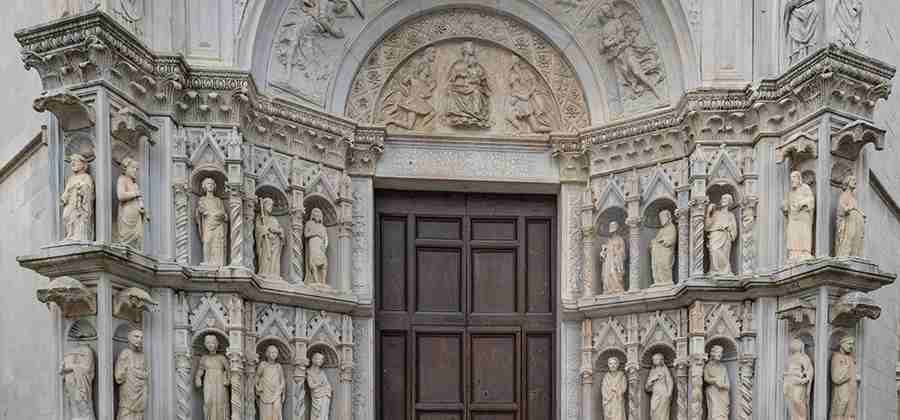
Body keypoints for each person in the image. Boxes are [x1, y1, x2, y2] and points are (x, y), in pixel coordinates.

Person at [445, 41, 492, 128]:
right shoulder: (457, 65)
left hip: (474, 88)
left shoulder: (477, 66)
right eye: (471, 47)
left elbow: (483, 81)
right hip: (461, 88)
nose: (473, 49)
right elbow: (451, 80)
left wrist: (480, 83)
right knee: (452, 91)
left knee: (476, 91)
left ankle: (476, 115)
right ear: (465, 50)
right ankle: (459, 116)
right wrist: (459, 76)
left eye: (473, 47)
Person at [115, 329, 149, 420]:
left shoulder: (142, 355)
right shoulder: (125, 353)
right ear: (129, 338)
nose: (139, 339)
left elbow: (146, 373)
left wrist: (137, 373)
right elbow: (118, 377)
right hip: (129, 390)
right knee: (126, 412)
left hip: (140, 390)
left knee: (139, 414)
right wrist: (129, 371)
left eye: (142, 337)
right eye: (136, 336)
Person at [195, 334, 230, 420]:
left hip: (219, 382)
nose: (210, 345)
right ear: (205, 345)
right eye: (208, 343)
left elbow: (228, 370)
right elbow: (200, 369)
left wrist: (228, 379)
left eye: (212, 343)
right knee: (208, 402)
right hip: (208, 382)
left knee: (219, 402)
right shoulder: (204, 358)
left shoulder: (221, 358)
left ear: (217, 344)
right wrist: (198, 378)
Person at [61, 153, 94, 241]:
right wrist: (64, 196)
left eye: (75, 161)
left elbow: (89, 191)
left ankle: (78, 236)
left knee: (78, 218)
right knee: (66, 216)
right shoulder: (71, 179)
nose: (72, 163)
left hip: (80, 205)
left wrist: (82, 189)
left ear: (83, 164)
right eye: (71, 161)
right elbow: (66, 191)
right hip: (71, 203)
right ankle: (70, 234)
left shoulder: (86, 177)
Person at [196, 178, 229, 266]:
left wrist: (221, 215)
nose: (210, 185)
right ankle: (207, 261)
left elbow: (224, 214)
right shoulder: (202, 199)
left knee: (217, 242)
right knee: (207, 241)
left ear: (214, 186)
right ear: (204, 186)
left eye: (211, 184)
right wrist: (207, 213)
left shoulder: (218, 200)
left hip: (218, 224)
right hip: (209, 223)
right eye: (208, 184)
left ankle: (217, 262)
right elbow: (201, 211)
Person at [783, 171, 815, 262]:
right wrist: (785, 207)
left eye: (794, 178)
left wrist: (801, 203)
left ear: (799, 179)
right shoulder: (791, 193)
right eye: (791, 179)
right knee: (793, 234)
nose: (792, 181)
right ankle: (794, 253)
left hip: (803, 217)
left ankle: (805, 252)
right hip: (793, 218)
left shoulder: (805, 188)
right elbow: (787, 205)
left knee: (803, 232)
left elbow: (811, 200)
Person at [117, 157, 147, 250]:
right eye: (133, 168)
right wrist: (136, 193)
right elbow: (121, 195)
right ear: (125, 168)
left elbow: (140, 199)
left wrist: (142, 209)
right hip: (127, 212)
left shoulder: (134, 184)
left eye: (136, 169)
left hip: (136, 213)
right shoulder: (122, 179)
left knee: (138, 236)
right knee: (126, 235)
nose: (135, 171)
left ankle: (135, 250)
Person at [706, 194, 737, 275]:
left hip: (725, 236)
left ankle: (725, 271)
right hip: (715, 235)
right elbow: (707, 226)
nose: (723, 200)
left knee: (724, 254)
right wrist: (708, 213)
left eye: (726, 199)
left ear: (730, 202)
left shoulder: (731, 215)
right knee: (714, 250)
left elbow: (734, 229)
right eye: (722, 198)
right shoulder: (715, 213)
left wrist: (729, 229)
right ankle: (715, 270)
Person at [784, 338, 813, 420]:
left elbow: (809, 370)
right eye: (793, 344)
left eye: (796, 344)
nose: (793, 346)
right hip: (790, 383)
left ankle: (802, 418)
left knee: (798, 401)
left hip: (799, 383)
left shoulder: (803, 357)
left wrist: (806, 378)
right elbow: (787, 370)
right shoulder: (789, 358)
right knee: (791, 403)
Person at [835, 175, 865, 257]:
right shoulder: (844, 195)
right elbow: (842, 209)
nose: (855, 182)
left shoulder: (854, 198)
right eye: (853, 180)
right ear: (847, 183)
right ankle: (844, 254)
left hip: (856, 223)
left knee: (855, 239)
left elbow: (856, 209)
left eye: (855, 181)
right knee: (849, 238)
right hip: (848, 223)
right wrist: (849, 208)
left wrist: (860, 214)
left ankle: (854, 255)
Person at [830, 336, 858, 420]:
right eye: (849, 344)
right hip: (842, 390)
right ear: (842, 344)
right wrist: (847, 371)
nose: (851, 346)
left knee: (850, 413)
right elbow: (836, 378)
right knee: (839, 411)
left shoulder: (851, 358)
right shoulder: (837, 357)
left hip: (851, 390)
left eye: (852, 344)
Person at [256, 197, 285, 278]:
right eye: (269, 205)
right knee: (265, 257)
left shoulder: (274, 219)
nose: (271, 207)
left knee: (274, 259)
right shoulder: (260, 218)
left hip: (275, 243)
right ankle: (264, 272)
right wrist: (264, 230)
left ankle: (274, 273)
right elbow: (258, 230)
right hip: (266, 242)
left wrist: (279, 232)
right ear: (264, 205)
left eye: (272, 205)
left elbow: (281, 231)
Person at [256, 345, 286, 420]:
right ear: (267, 353)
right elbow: (257, 377)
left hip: (276, 392)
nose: (274, 354)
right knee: (267, 413)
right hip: (265, 393)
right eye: (272, 352)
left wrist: (281, 388)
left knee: (276, 411)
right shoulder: (263, 365)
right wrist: (258, 387)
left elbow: (282, 379)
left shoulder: (278, 366)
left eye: (275, 352)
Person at [704, 345, 730, 420]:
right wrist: (715, 381)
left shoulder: (723, 367)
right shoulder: (708, 366)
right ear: (713, 353)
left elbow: (728, 384)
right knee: (714, 412)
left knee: (723, 413)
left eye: (721, 353)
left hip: (723, 393)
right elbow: (706, 378)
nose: (720, 355)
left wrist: (723, 385)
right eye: (718, 352)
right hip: (713, 391)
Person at [651, 209, 676, 285]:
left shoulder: (672, 227)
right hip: (658, 252)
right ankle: (659, 281)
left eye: (663, 217)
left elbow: (671, 240)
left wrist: (662, 240)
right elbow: (656, 239)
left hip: (666, 251)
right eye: (660, 218)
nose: (662, 219)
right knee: (657, 265)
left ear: (668, 217)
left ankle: (666, 280)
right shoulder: (661, 230)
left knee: (665, 264)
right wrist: (654, 242)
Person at [600, 221, 626, 294]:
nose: (612, 231)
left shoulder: (620, 239)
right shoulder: (608, 241)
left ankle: (617, 288)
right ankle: (609, 289)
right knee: (607, 275)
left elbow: (623, 253)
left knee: (614, 273)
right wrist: (603, 252)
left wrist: (616, 252)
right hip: (608, 261)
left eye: (613, 228)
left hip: (615, 260)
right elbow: (604, 253)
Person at [645, 353, 673, 420]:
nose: (654, 360)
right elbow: (647, 388)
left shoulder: (665, 370)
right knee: (653, 411)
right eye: (653, 359)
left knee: (663, 414)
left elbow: (670, 382)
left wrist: (669, 394)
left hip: (663, 394)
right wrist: (652, 379)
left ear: (661, 360)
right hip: (655, 394)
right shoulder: (652, 371)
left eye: (656, 359)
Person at [307, 352, 333, 420]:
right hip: (316, 396)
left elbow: (327, 384)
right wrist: (319, 384)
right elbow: (311, 385)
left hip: (324, 395)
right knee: (316, 413)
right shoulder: (309, 372)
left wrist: (327, 389)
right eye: (319, 359)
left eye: (322, 359)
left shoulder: (322, 372)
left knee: (323, 414)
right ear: (313, 360)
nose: (321, 361)